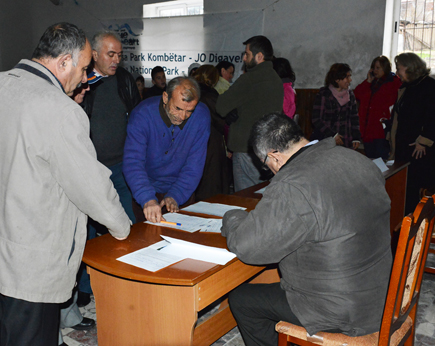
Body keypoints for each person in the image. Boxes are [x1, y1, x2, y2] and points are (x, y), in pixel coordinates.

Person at [0, 22, 131, 346]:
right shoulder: (59, 110)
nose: (85, 78)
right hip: (30, 265)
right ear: (63, 63)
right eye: (84, 68)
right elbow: (91, 188)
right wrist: (123, 228)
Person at [222, 113, 392, 346]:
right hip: (382, 293)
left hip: (342, 312)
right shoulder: (357, 159)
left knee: (242, 299)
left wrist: (233, 216)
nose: (270, 171)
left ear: (273, 156)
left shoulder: (293, 182)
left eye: (266, 165)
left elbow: (247, 247)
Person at [78, 30, 140, 306]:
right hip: (90, 170)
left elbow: (136, 118)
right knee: (87, 232)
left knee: (127, 224)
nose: (116, 60)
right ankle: (84, 287)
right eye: (110, 54)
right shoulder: (81, 81)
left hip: (122, 167)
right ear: (94, 55)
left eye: (119, 55)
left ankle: (129, 278)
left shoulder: (124, 80)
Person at [123, 77, 211, 223]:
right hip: (145, 186)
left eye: (189, 111)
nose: (182, 116)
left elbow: (194, 165)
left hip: (183, 189)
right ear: (165, 97)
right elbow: (133, 162)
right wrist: (147, 198)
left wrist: (176, 194)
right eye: (177, 108)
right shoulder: (142, 114)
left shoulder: (201, 116)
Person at [216, 35, 283, 191]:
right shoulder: (276, 80)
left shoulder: (249, 79)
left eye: (247, 54)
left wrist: (233, 109)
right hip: (268, 151)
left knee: (244, 201)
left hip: (246, 149)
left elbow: (221, 106)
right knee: (263, 197)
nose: (244, 58)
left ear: (259, 56)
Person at [389, 52, 435, 214]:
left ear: (409, 67)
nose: (397, 72)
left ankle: (416, 230)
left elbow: (432, 117)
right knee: (405, 190)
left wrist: (424, 141)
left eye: (399, 68)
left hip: (419, 151)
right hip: (404, 148)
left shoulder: (429, 86)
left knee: (416, 190)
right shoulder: (407, 87)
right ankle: (405, 226)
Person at [193, 64, 230, 200]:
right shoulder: (211, 97)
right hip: (211, 144)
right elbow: (222, 122)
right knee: (212, 187)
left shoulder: (192, 93)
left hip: (194, 143)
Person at [354, 56, 401, 160]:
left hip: (382, 129)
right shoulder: (372, 82)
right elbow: (357, 94)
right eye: (373, 68)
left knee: (382, 159)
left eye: (378, 68)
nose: (374, 71)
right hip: (367, 129)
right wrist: (368, 81)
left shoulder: (394, 82)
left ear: (385, 68)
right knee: (370, 159)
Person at [311, 63, 361, 149]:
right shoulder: (324, 95)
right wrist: (332, 135)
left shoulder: (350, 95)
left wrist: (356, 137)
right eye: (347, 77)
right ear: (337, 79)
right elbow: (316, 119)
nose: (350, 80)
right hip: (326, 141)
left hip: (346, 141)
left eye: (350, 76)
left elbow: (354, 117)